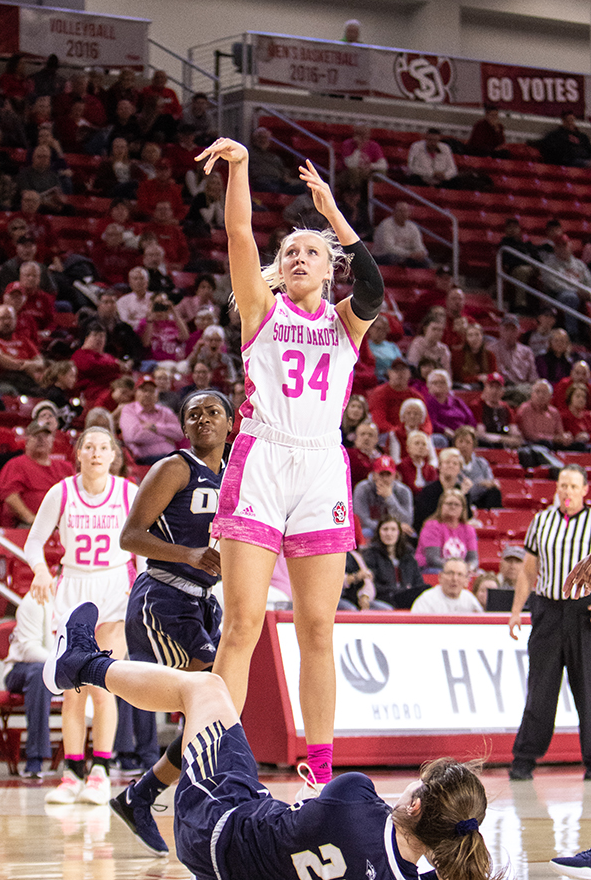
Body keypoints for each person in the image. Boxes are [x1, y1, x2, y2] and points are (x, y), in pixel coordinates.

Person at [44, 600, 500, 880]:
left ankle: (80, 664)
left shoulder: (354, 795)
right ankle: (140, 795)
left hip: (215, 818)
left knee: (205, 689)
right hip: (232, 867)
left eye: (420, 785)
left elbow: (349, 819)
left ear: (417, 806)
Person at [197, 136, 383, 794]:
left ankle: (320, 770)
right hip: (263, 458)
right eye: (290, 253)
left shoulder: (345, 322)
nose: (298, 258)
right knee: (243, 621)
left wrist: (332, 216)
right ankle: (213, 760)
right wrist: (241, 168)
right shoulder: (261, 309)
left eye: (310, 253)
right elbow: (240, 232)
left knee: (316, 626)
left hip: (320, 469)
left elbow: (374, 284)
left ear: (326, 268)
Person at [113, 390, 233, 855]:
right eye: (193, 414)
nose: (203, 419)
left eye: (213, 412)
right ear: (183, 427)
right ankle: (198, 800)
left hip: (203, 602)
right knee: (215, 701)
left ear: (230, 423)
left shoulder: (235, 476)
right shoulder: (175, 468)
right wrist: (190, 555)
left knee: (221, 705)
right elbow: (130, 536)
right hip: (163, 597)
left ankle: (141, 795)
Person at [25, 427, 139, 805]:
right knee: (72, 688)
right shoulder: (61, 492)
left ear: (113, 455)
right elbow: (33, 542)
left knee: (102, 683)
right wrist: (41, 570)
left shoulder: (127, 492)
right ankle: (72, 771)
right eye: (88, 447)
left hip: (113, 590)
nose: (95, 453)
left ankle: (101, 770)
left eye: (103, 447)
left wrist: (139, 585)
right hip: (72, 587)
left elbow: (145, 544)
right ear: (78, 453)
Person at [508, 465, 591, 780]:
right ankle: (524, 758)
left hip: (584, 612)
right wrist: (517, 610)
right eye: (563, 485)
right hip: (547, 610)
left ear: (584, 490)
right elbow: (528, 571)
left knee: (588, 689)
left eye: (573, 485)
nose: (567, 490)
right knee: (540, 688)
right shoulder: (541, 521)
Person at [3, 590, 54, 779]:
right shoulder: (35, 599)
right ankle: (35, 758)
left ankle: (129, 755)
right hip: (21, 668)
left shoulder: (83, 598)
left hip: (62, 669)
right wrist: (62, 664)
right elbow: (29, 650)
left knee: (118, 671)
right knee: (40, 672)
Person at [0, 421, 73, 527]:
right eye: (36, 436)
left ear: (52, 440)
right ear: (27, 441)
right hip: (29, 525)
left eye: (45, 436)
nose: (41, 439)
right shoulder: (16, 465)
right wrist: (30, 517)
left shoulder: (66, 467)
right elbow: (10, 496)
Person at [119, 374, 183, 464]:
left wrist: (155, 427)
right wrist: (165, 438)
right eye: (144, 390)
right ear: (136, 392)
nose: (147, 394)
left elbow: (180, 432)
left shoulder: (164, 410)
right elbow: (134, 436)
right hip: (145, 460)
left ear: (156, 394)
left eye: (151, 391)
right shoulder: (129, 410)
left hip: (171, 457)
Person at [363, 517, 425, 608]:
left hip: (406, 595)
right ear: (378, 532)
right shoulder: (370, 555)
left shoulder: (408, 556)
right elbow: (372, 583)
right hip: (386, 596)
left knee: (426, 589)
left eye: (393, 530)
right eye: (385, 529)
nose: (389, 533)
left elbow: (418, 581)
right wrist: (397, 590)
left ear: (399, 533)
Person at [541, 235, 591, 341]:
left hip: (581, 293)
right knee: (571, 297)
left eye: (564, 245)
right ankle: (572, 333)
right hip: (558, 295)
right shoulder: (550, 263)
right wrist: (576, 291)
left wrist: (587, 291)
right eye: (559, 246)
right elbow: (552, 283)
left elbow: (589, 281)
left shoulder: (579, 264)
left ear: (570, 246)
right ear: (555, 248)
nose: (563, 248)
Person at [352, 455, 414, 540]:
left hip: (395, 530)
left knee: (411, 534)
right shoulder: (363, 489)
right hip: (372, 529)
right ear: (374, 475)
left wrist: (389, 497)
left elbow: (407, 520)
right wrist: (386, 528)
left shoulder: (403, 491)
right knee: (366, 532)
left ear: (394, 475)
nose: (384, 479)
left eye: (388, 475)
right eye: (381, 474)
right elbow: (361, 520)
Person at [413, 447, 473, 534]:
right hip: (431, 534)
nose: (451, 465)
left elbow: (465, 519)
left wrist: (463, 495)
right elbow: (423, 520)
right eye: (447, 462)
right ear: (440, 466)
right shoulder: (428, 491)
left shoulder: (462, 491)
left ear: (459, 469)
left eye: (455, 463)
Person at [416, 491, 479, 572]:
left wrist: (470, 567)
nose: (453, 507)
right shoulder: (432, 526)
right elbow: (432, 559)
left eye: (457, 504)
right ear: (441, 506)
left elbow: (473, 559)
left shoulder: (468, 529)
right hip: (432, 569)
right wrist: (456, 569)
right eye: (449, 504)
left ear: (462, 508)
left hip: (460, 570)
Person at [454, 425, 502, 510]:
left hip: (481, 500)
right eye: (460, 442)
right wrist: (479, 483)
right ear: (455, 444)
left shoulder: (482, 463)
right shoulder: (452, 463)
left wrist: (492, 484)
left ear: (474, 444)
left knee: (494, 492)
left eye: (468, 442)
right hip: (460, 497)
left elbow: (489, 482)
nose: (464, 445)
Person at [411, 558, 482, 613]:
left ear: (466, 580)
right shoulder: (426, 600)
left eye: (460, 574)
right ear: (440, 577)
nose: (454, 579)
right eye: (450, 573)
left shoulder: (470, 600)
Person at [373, 201, 430, 267]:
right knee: (394, 258)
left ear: (409, 213)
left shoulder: (412, 227)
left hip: (406, 256)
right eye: (400, 211)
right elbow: (388, 248)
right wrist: (409, 254)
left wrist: (421, 253)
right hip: (383, 256)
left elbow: (418, 245)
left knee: (425, 261)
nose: (403, 214)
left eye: (405, 211)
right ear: (394, 212)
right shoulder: (386, 225)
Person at [424, 369, 476, 440]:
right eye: (435, 383)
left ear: (449, 385)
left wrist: (469, 430)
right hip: (445, 434)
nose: (439, 385)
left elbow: (470, 417)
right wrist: (445, 430)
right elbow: (431, 422)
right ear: (429, 386)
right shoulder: (428, 402)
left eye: (442, 382)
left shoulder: (456, 401)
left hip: (464, 433)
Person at [475, 372, 522, 448]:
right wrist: (503, 439)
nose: (494, 391)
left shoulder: (506, 408)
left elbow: (513, 430)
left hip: (505, 444)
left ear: (502, 392)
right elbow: (480, 434)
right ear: (485, 388)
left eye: (498, 388)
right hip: (487, 444)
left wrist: (515, 438)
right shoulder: (477, 406)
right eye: (491, 387)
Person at [452, 323, 497, 387]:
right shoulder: (458, 354)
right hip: (465, 387)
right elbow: (458, 378)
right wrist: (478, 378)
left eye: (477, 335)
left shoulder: (490, 355)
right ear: (466, 338)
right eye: (470, 335)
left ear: (482, 336)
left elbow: (494, 375)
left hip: (486, 385)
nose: (474, 338)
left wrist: (486, 377)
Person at [365, 316, 403, 381]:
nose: (381, 332)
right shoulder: (365, 346)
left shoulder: (392, 346)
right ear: (370, 328)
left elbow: (400, 364)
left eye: (384, 329)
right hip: (373, 377)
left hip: (392, 378)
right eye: (378, 328)